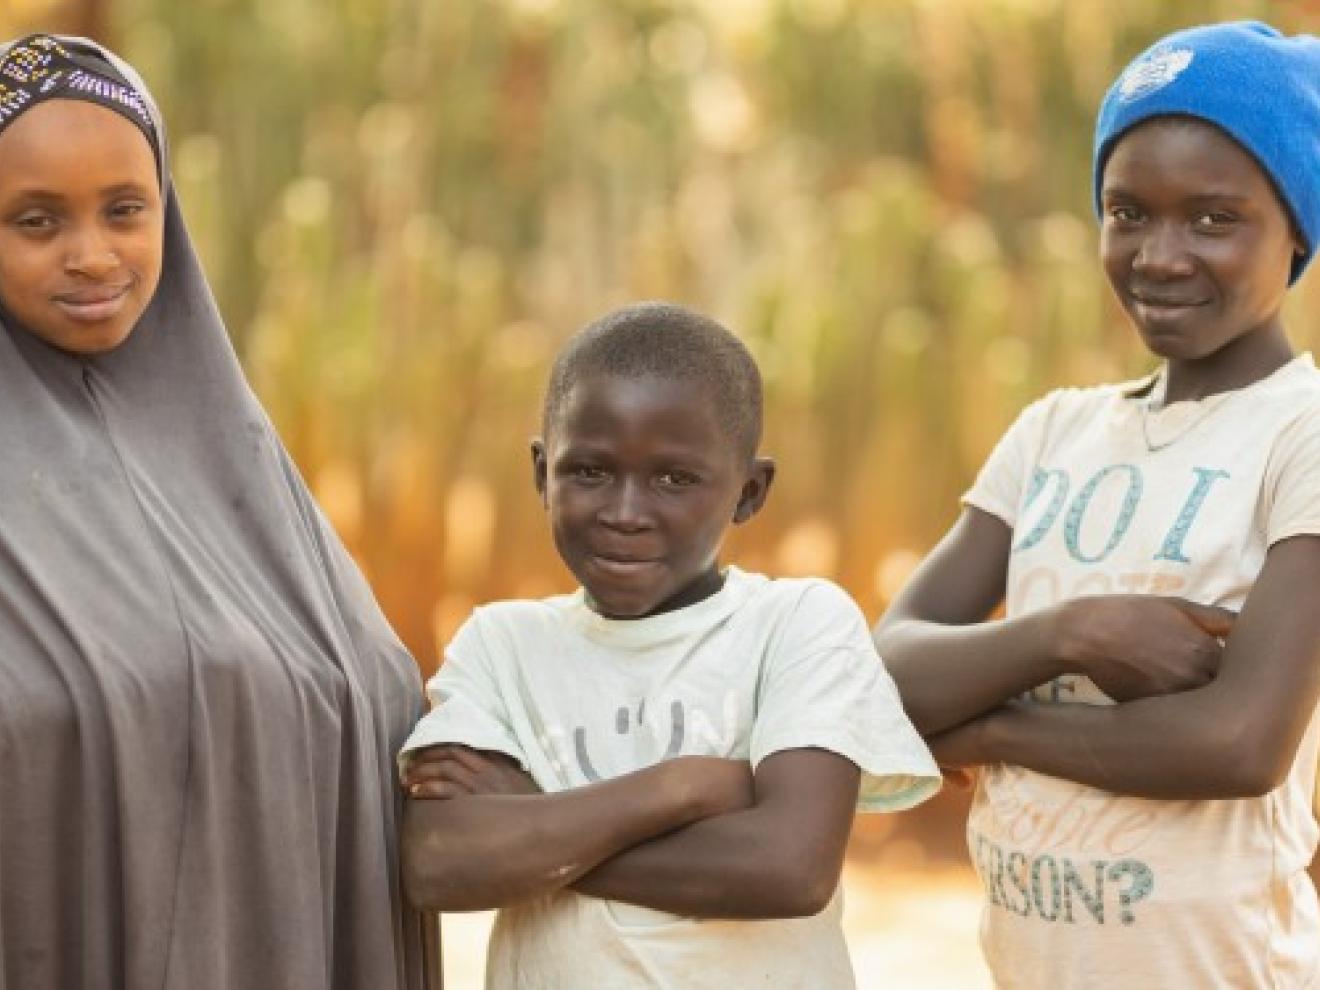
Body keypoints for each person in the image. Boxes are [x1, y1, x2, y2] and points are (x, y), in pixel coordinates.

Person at [873, 20, 1320, 989]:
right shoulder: (1052, 434)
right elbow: (886, 670)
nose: (1159, 255)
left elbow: (1237, 743)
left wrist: (986, 728)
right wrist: (1071, 634)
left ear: (1296, 230)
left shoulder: (1302, 435)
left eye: (1212, 218)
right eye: (1128, 212)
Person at [0, 34, 426, 988]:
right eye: (34, 220)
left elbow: (381, 699)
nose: (92, 255)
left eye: (125, 210)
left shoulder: (239, 463)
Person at [398, 301, 940, 989]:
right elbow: (438, 861)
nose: (625, 513)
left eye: (674, 479)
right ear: (542, 473)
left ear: (749, 491)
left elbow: (789, 867)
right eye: (589, 472)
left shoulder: (797, 623)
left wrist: (540, 815)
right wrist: (683, 787)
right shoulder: (502, 645)